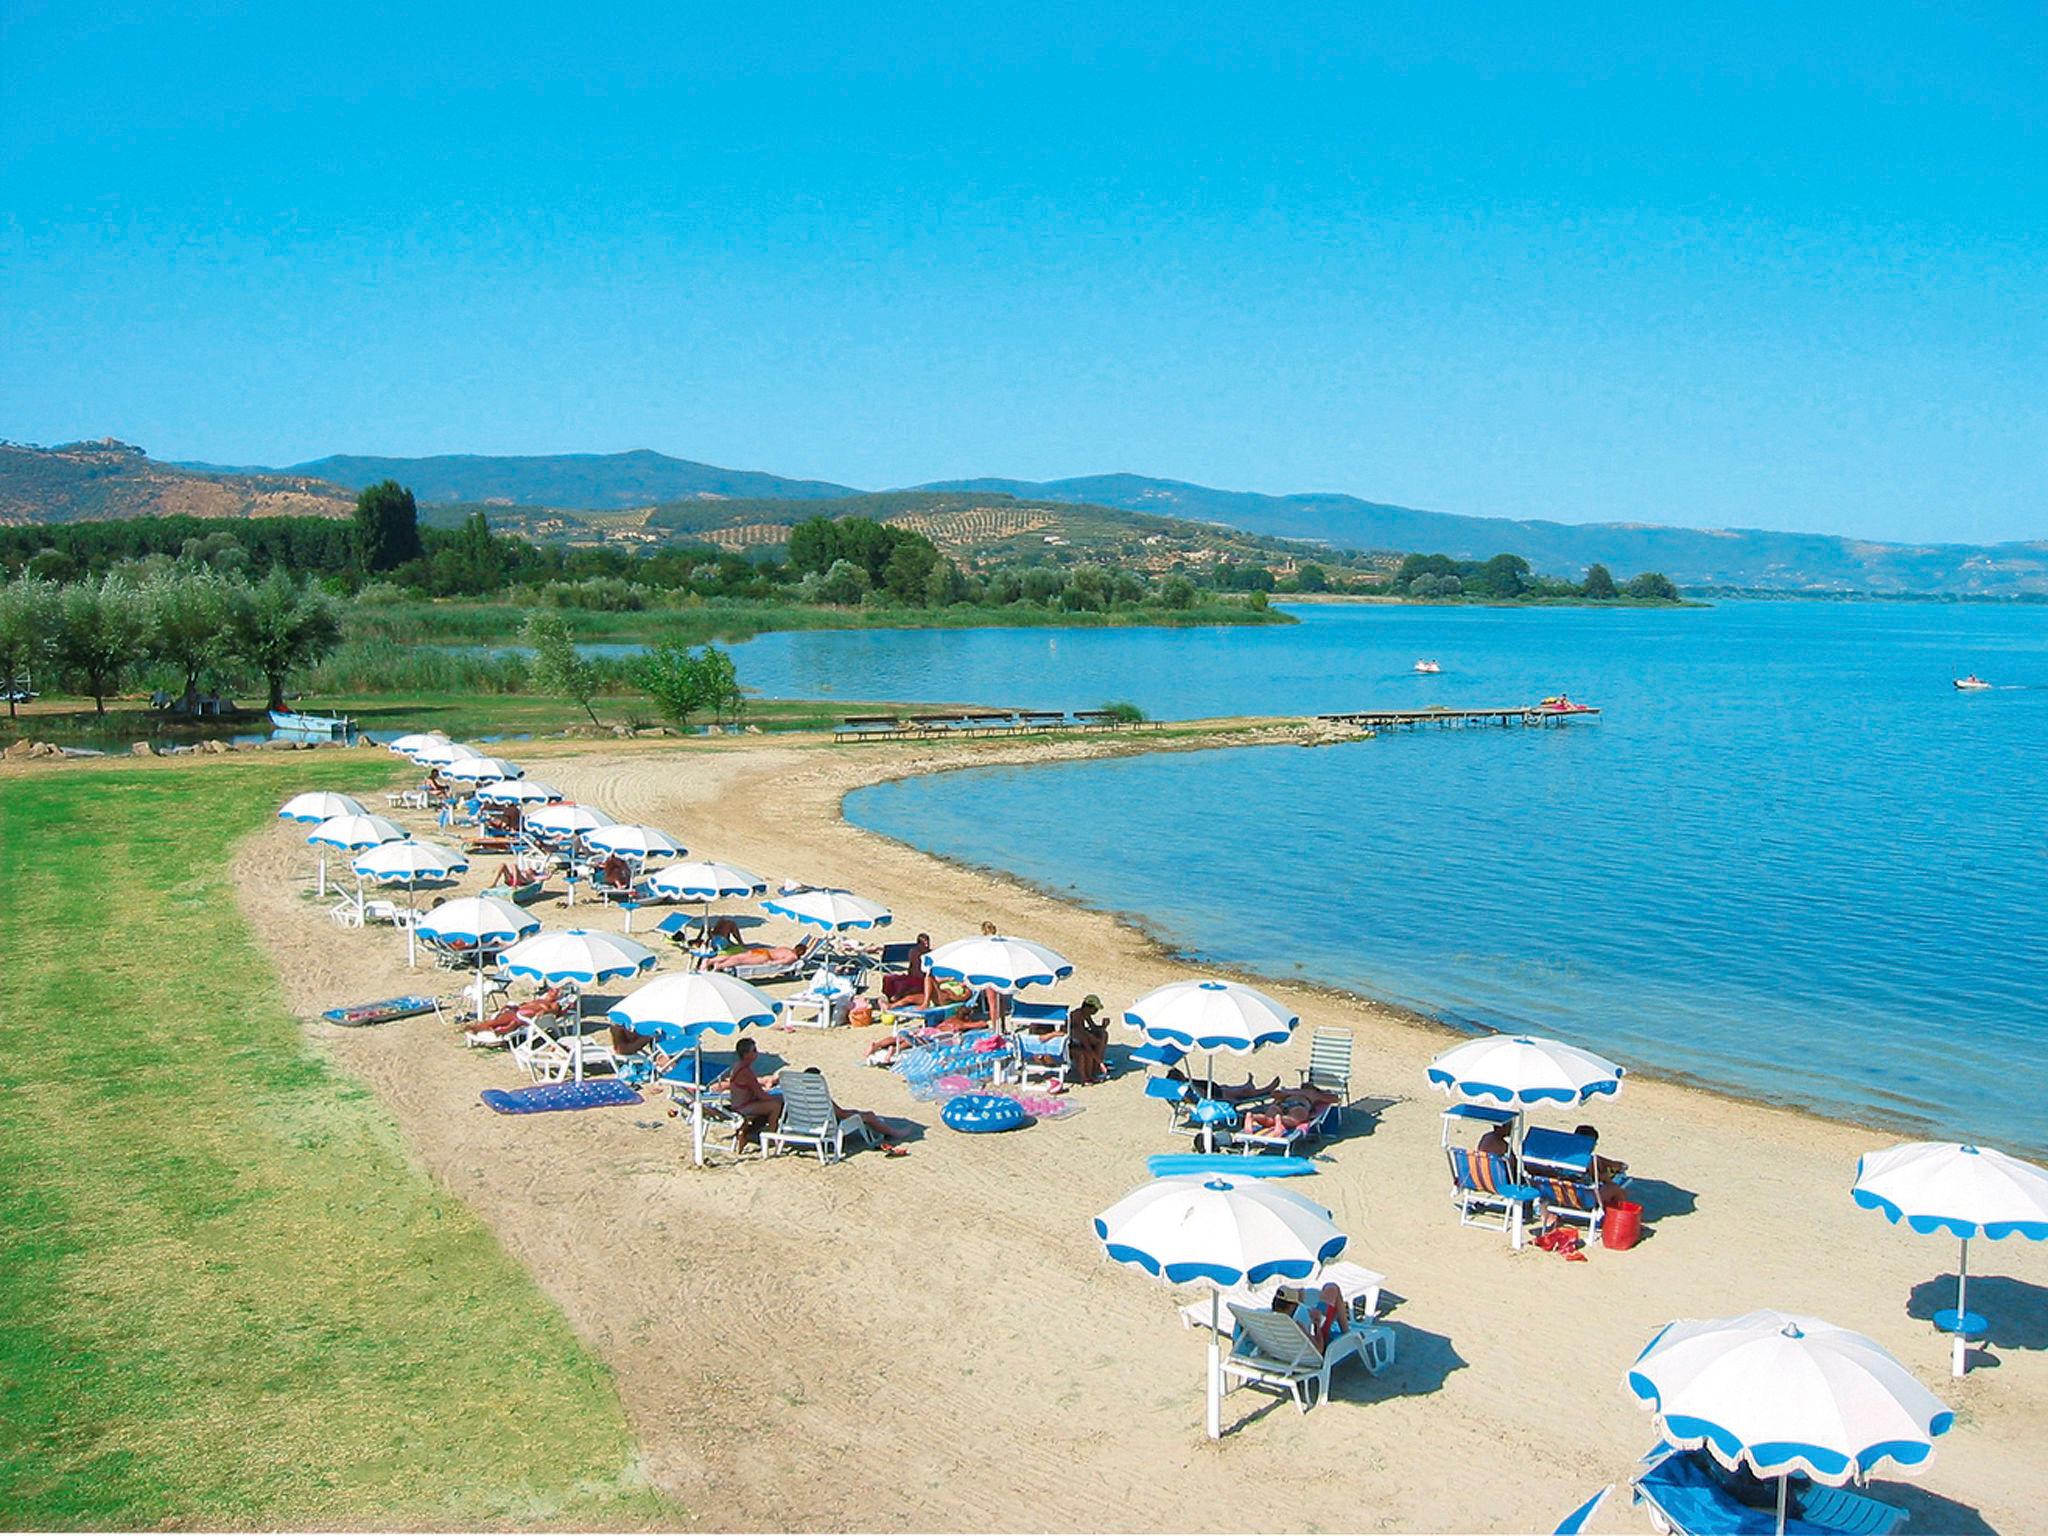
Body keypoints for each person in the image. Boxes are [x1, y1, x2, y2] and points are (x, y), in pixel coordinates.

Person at [797, 1067, 909, 1156]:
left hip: (807, 1125)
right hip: (828, 1126)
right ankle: (894, 1133)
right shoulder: (821, 1096)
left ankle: (885, 1129)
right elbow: (841, 1114)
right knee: (869, 1116)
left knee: (861, 1114)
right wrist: (859, 1114)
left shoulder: (796, 1096)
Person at [726, 1037, 783, 1150]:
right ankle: (772, 1137)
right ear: (746, 1054)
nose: (756, 1053)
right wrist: (774, 1098)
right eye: (754, 1050)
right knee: (775, 1107)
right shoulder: (745, 1072)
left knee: (771, 1103)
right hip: (743, 1107)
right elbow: (760, 1094)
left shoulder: (738, 1066)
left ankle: (747, 1132)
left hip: (740, 1104)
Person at [1574, 1123, 1630, 1206]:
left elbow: (1595, 1158)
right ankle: (1617, 1215)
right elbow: (1604, 1179)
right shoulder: (1588, 1161)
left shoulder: (1564, 1157)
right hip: (1583, 1199)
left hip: (1559, 1194)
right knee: (1616, 1189)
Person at [706, 935, 815, 973]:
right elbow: (782, 961)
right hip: (765, 956)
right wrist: (771, 963)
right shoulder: (793, 956)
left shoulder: (786, 948)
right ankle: (719, 966)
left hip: (763, 950)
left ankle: (712, 960)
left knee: (737, 956)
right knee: (740, 961)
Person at [1067, 994, 1109, 1085]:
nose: (1095, 1012)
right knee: (1087, 1049)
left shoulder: (1085, 1014)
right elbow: (1083, 1037)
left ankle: (1096, 1067)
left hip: (1081, 1038)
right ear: (1088, 1007)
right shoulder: (1076, 1016)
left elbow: (1093, 1027)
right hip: (1074, 1041)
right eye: (1095, 1010)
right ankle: (1095, 1068)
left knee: (1103, 1034)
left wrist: (1103, 1026)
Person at [882, 933, 932, 1004]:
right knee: (888, 978)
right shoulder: (913, 951)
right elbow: (911, 966)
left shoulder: (930, 954)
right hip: (912, 976)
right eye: (924, 944)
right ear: (919, 944)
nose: (927, 946)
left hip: (921, 979)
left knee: (907, 988)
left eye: (928, 943)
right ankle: (889, 997)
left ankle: (896, 998)